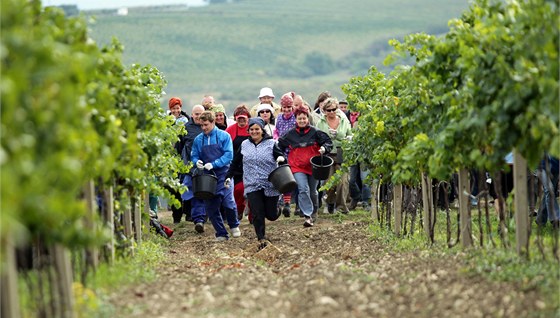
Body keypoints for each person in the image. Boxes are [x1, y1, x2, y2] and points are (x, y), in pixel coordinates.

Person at [228, 118, 285, 248]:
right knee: (257, 213)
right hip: (252, 184)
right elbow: (235, 162)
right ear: (248, 131)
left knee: (270, 215)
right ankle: (261, 238)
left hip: (269, 184)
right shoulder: (244, 145)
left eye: (257, 129)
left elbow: (281, 158)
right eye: (251, 129)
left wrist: (281, 159)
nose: (254, 132)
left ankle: (276, 211)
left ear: (262, 130)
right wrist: (228, 175)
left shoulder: (271, 143)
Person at [278, 107, 333, 227]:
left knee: (313, 191)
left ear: (308, 119)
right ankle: (307, 215)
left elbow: (328, 142)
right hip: (297, 167)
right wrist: (281, 157)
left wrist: (324, 148)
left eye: (304, 118)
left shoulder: (316, 132)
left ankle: (314, 212)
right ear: (296, 120)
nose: (302, 121)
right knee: (303, 189)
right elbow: (279, 145)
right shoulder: (290, 134)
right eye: (299, 118)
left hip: (313, 166)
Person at [191, 111, 241, 241]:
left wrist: (214, 164)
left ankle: (234, 225)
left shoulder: (224, 136)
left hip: (224, 173)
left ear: (213, 122)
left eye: (206, 125)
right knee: (211, 206)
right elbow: (194, 155)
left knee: (228, 201)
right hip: (207, 177)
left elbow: (228, 155)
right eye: (201, 125)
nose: (203, 128)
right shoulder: (198, 140)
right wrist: (197, 162)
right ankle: (221, 233)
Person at [315, 97, 353, 214]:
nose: (331, 112)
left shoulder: (343, 120)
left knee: (343, 181)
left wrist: (345, 138)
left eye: (333, 109)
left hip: (341, 152)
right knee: (328, 181)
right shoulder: (320, 123)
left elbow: (349, 135)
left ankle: (341, 207)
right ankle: (330, 202)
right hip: (327, 154)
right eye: (328, 110)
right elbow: (317, 138)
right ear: (325, 111)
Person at [181, 105, 206, 228]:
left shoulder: (208, 127)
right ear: (192, 115)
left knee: (201, 193)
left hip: (207, 166)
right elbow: (180, 146)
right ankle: (197, 217)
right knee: (190, 191)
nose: (198, 117)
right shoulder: (186, 128)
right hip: (190, 167)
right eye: (196, 114)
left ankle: (200, 218)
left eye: (200, 114)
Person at [226, 104, 252, 220]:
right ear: (235, 119)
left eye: (244, 119)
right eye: (239, 119)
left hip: (252, 165)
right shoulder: (230, 130)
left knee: (253, 192)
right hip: (236, 167)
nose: (242, 121)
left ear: (248, 118)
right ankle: (239, 210)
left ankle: (253, 215)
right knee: (238, 190)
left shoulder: (254, 128)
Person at [274, 92, 298, 217]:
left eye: (289, 107)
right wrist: (277, 139)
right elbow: (276, 131)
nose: (287, 110)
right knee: (283, 176)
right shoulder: (279, 118)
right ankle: (281, 202)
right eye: (285, 107)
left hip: (293, 150)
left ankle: (289, 203)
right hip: (281, 150)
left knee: (292, 177)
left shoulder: (295, 118)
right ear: (281, 107)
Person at [168, 97, 190, 223]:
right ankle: (176, 215)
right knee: (172, 187)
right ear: (170, 109)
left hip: (182, 157)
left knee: (184, 184)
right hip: (170, 159)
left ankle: (186, 212)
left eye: (177, 108)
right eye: (173, 108)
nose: (176, 110)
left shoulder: (185, 120)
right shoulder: (166, 121)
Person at [536, 154, 559, 227]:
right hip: (541, 167)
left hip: (556, 167)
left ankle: (540, 220)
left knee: (549, 193)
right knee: (549, 190)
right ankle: (556, 218)